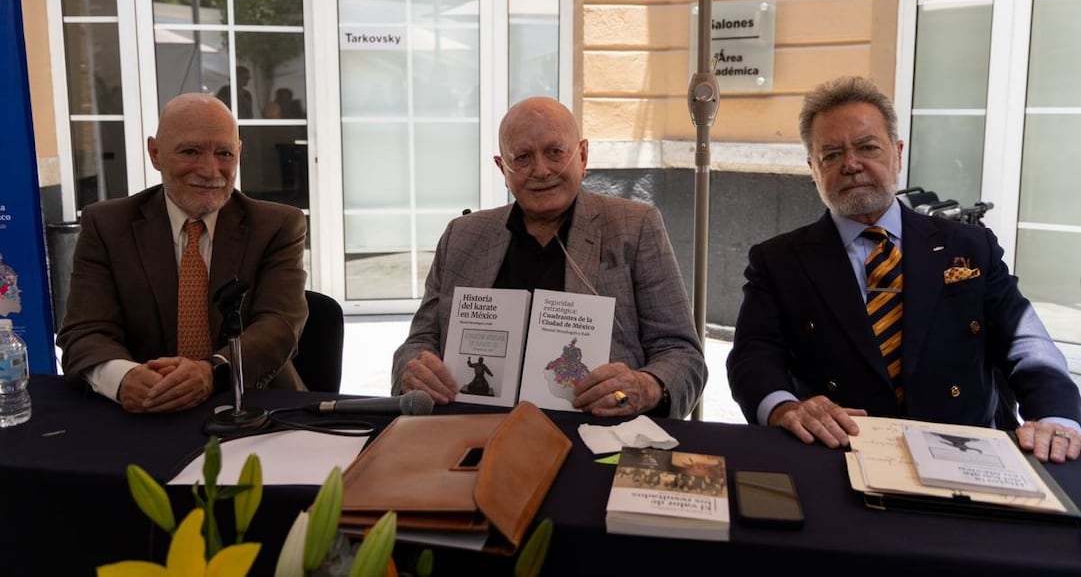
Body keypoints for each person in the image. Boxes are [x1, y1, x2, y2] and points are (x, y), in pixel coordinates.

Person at [726, 75, 1081, 462]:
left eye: (867, 147)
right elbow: (753, 356)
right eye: (831, 154)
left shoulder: (970, 246)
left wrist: (1056, 416)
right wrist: (783, 407)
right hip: (838, 454)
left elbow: (1025, 342)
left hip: (964, 453)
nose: (851, 164)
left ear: (897, 154)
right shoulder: (779, 261)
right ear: (813, 168)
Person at [392, 96, 706, 418]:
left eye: (555, 152)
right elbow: (419, 342)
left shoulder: (634, 227)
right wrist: (414, 369)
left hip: (592, 431)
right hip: (471, 427)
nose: (541, 170)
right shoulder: (462, 236)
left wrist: (645, 387)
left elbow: (682, 355)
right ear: (503, 168)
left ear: (582, 156)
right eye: (523, 157)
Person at [57, 93, 308, 413]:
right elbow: (83, 331)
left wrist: (211, 371)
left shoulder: (276, 225)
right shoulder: (107, 226)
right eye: (191, 151)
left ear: (239, 153)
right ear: (155, 153)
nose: (210, 169)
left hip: (253, 406)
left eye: (224, 153)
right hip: (145, 410)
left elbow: (281, 325)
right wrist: (123, 378)